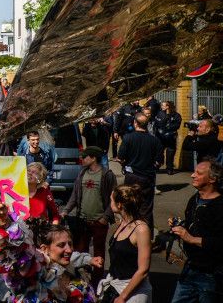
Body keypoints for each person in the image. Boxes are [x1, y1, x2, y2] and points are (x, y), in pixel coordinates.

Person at [169, 160, 223, 303]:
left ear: (212, 179)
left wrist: (190, 238)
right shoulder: (195, 199)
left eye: (199, 173)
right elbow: (196, 225)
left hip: (211, 275)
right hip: (190, 268)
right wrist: (181, 225)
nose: (192, 175)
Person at [61, 146, 116, 287]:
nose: (82, 159)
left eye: (85, 157)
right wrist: (66, 210)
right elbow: (75, 194)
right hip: (82, 220)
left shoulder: (107, 174)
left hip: (99, 221)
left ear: (93, 158)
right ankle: (81, 281)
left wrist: (106, 217)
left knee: (99, 252)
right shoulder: (82, 173)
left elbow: (114, 198)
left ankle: (97, 282)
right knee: (80, 251)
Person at [96, 185, 152, 303]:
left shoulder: (141, 229)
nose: (110, 203)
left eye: (111, 200)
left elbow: (143, 270)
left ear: (119, 204)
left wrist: (123, 297)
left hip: (133, 293)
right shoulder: (122, 223)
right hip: (116, 286)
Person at [117, 113, 162, 228]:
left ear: (135, 123)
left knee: (130, 206)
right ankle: (146, 237)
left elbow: (120, 157)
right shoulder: (155, 140)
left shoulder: (128, 138)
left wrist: (125, 163)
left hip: (132, 176)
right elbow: (159, 161)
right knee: (146, 208)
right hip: (147, 177)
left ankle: (131, 234)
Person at [153, 101, 182, 174]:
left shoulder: (176, 115)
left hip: (171, 137)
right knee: (159, 153)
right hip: (160, 137)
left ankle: (169, 168)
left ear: (168, 106)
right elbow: (156, 124)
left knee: (170, 153)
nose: (162, 106)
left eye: (163, 105)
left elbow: (177, 125)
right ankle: (157, 166)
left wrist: (168, 127)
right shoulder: (159, 113)